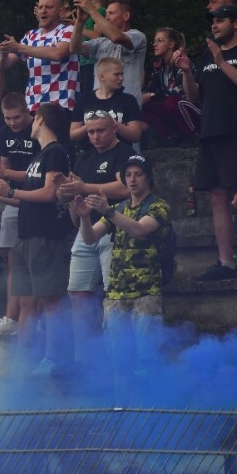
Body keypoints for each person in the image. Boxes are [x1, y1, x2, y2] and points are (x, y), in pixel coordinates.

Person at [0, 103, 72, 377]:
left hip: (45, 237)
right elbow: (26, 200)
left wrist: (9, 190)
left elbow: (47, 195)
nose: (31, 122)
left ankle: (53, 359)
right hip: (26, 236)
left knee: (51, 301)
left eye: (34, 118)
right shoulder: (40, 156)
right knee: (25, 301)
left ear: (41, 119)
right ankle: (26, 359)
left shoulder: (56, 153)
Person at [74, 154, 170, 397]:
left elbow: (139, 229)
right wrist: (85, 217)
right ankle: (124, 405)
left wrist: (106, 210)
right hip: (116, 294)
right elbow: (89, 238)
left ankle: (153, 405)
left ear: (148, 177)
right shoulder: (119, 208)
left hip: (146, 293)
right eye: (128, 175)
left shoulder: (159, 206)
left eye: (138, 174)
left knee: (148, 355)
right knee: (119, 359)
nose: (132, 179)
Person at [178, 4, 237, 280]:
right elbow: (195, 96)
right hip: (210, 133)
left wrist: (222, 63)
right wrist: (187, 72)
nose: (214, 25)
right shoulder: (208, 54)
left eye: (220, 20)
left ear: (236, 23)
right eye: (213, 21)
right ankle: (225, 262)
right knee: (216, 196)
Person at [57, 111, 132, 368]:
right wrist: (68, 196)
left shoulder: (125, 153)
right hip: (86, 227)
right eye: (90, 132)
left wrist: (84, 187)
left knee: (114, 294)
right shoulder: (85, 157)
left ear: (114, 128)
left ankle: (116, 356)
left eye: (100, 130)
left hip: (115, 225)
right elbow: (76, 196)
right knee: (76, 292)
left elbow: (125, 188)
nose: (95, 136)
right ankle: (85, 357)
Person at [0, 93, 38, 336]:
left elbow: (37, 172)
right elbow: (3, 169)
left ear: (27, 113)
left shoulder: (37, 131)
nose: (12, 123)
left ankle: (34, 317)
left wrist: (6, 179)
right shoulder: (4, 133)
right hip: (11, 200)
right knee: (12, 259)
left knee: (35, 262)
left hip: (36, 197)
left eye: (16, 118)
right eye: (8, 118)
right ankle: (11, 317)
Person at [0, 0, 79, 113]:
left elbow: (58, 54)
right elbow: (3, 65)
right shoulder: (31, 35)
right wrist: (4, 52)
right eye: (40, 7)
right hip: (33, 105)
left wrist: (19, 47)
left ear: (61, 11)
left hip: (61, 103)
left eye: (49, 7)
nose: (43, 11)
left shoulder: (68, 30)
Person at [71, 0, 148, 106]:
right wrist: (79, 22)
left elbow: (116, 37)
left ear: (126, 16)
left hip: (127, 105)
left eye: (111, 13)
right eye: (106, 13)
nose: (106, 17)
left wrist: (92, 11)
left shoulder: (137, 36)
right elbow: (74, 48)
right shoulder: (100, 42)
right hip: (99, 104)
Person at [142, 27, 200, 143]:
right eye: (154, 41)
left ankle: (192, 136)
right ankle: (171, 137)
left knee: (172, 101)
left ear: (171, 44)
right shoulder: (158, 65)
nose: (154, 44)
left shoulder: (181, 61)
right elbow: (151, 89)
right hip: (174, 108)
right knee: (146, 105)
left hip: (193, 110)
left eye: (160, 40)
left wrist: (153, 95)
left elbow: (180, 93)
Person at [69, 56, 143, 146]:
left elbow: (136, 136)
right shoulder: (84, 100)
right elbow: (73, 135)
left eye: (122, 74)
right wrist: (92, 125)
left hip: (120, 154)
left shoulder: (128, 100)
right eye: (116, 74)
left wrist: (112, 123)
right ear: (102, 77)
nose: (121, 78)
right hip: (91, 154)